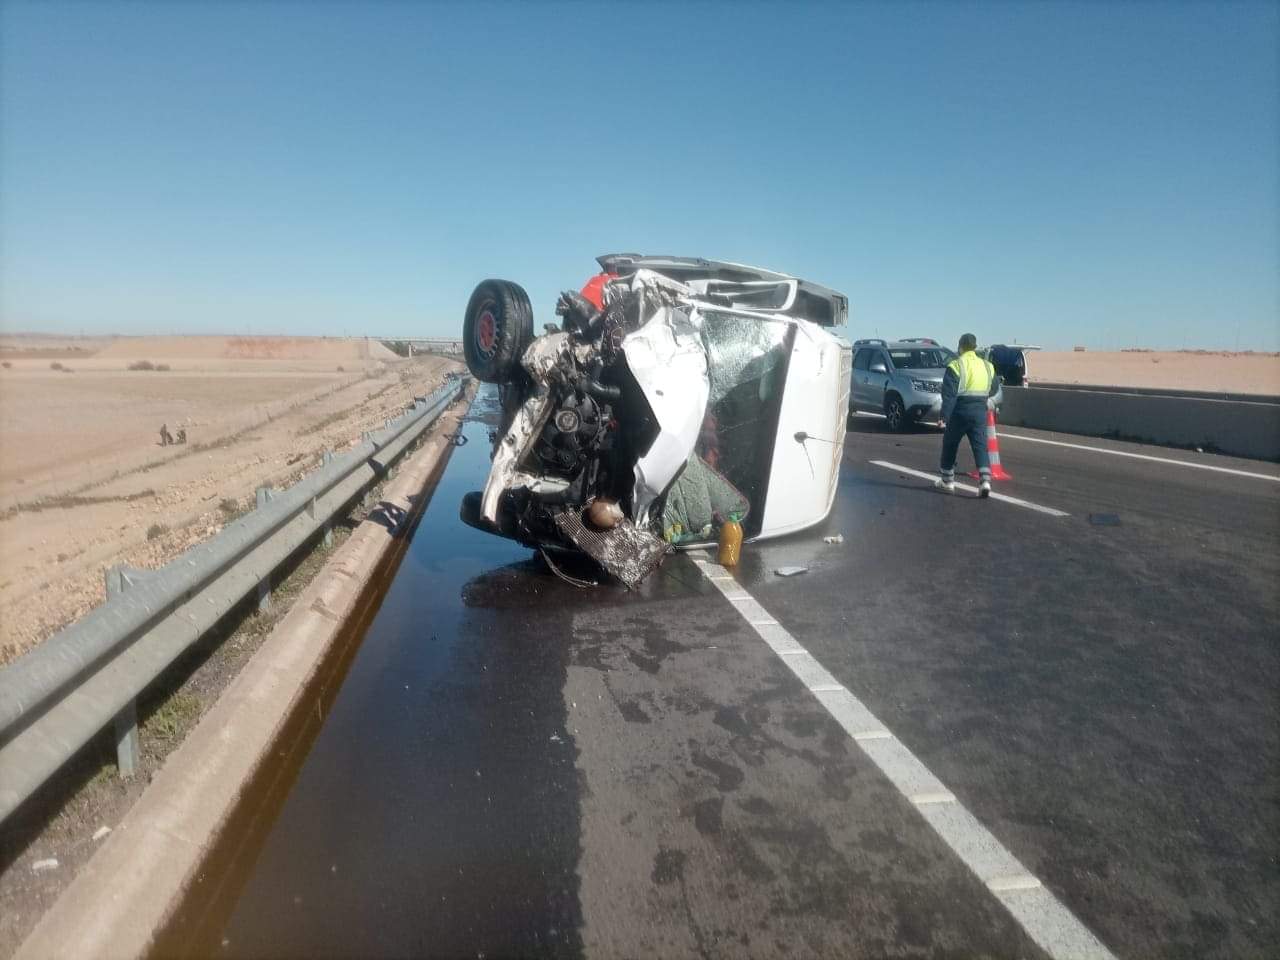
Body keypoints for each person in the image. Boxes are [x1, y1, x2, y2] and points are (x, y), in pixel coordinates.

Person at [935, 333, 999, 497]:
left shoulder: (956, 365)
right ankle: (985, 481)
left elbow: (949, 395)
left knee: (950, 443)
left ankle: (947, 481)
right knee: (980, 446)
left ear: (960, 347)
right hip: (980, 410)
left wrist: (944, 417)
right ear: (975, 347)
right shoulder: (987, 366)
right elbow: (994, 388)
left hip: (960, 410)